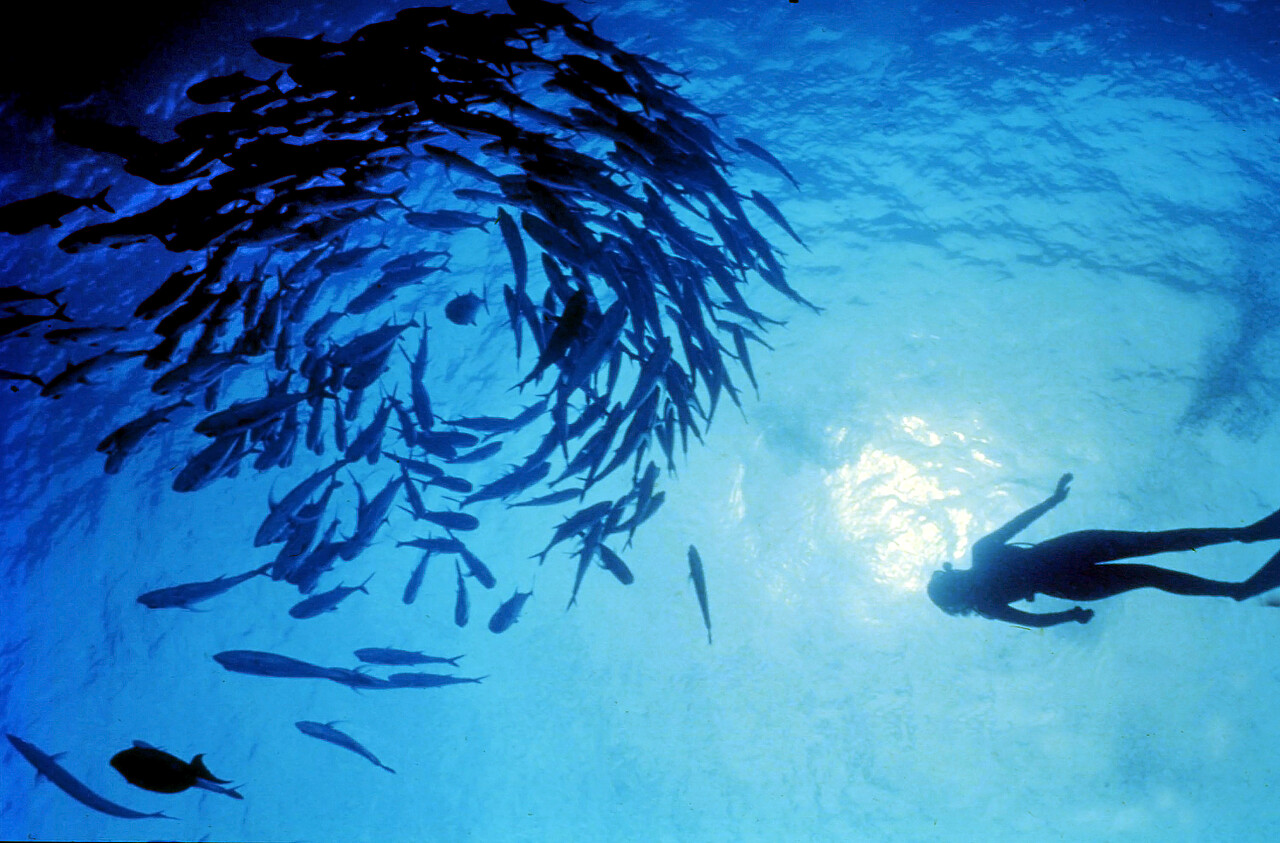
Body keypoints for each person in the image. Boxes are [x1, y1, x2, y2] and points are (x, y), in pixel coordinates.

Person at [927, 473, 1280, 626]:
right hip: (1072, 559)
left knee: (1154, 556)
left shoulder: (986, 599)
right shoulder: (985, 575)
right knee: (1154, 557)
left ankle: (1240, 569)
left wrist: (1053, 500)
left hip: (1074, 571)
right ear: (953, 578)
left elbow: (1033, 619)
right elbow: (1019, 525)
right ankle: (1243, 549)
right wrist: (1052, 501)